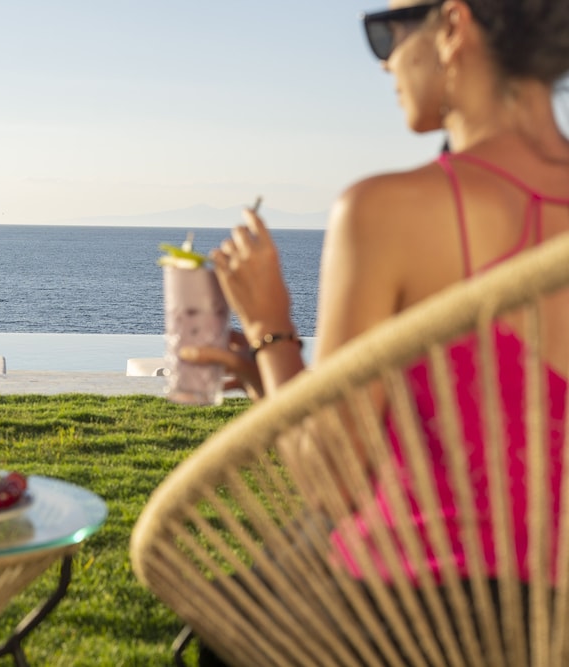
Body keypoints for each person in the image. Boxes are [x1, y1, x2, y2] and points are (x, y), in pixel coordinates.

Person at [181, 1, 569, 664]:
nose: (386, 62)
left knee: (223, 619)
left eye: (386, 33)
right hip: (552, 625)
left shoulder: (386, 211)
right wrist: (273, 385)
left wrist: (270, 326)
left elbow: (329, 481)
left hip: (412, 620)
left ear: (453, 27)